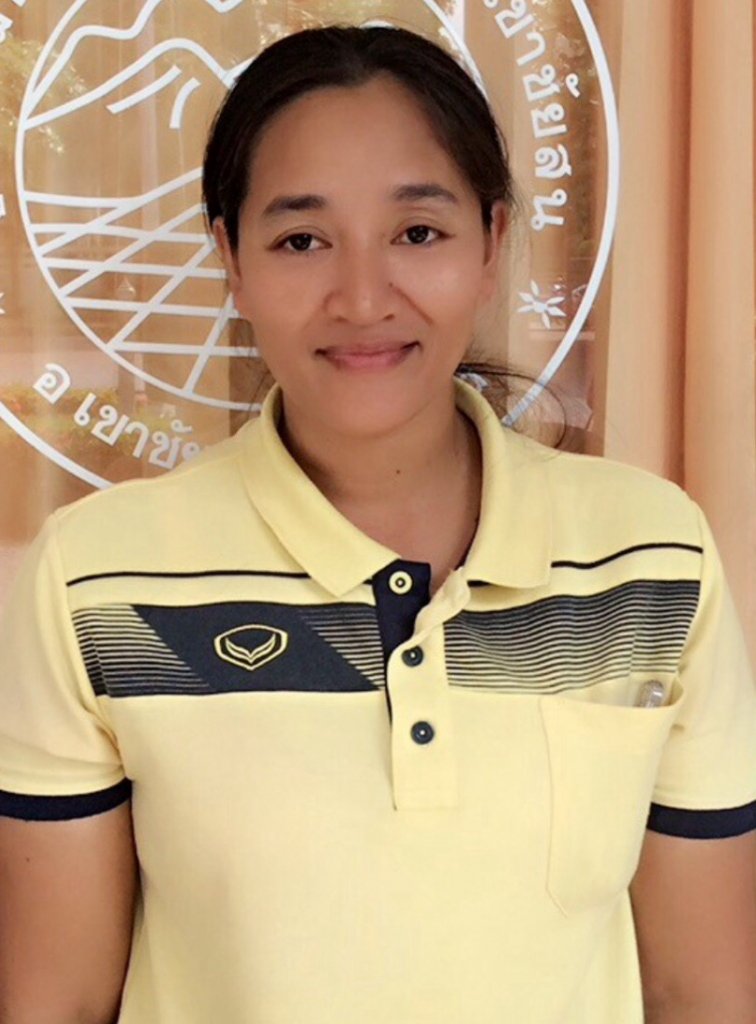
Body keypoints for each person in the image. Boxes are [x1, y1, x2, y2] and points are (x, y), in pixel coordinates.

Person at [0, 24, 754, 1024]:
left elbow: (701, 991)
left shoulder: (653, 557)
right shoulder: (95, 579)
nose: (362, 299)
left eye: (418, 233)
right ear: (231, 259)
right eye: (301, 240)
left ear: (491, 244)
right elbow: (57, 1000)